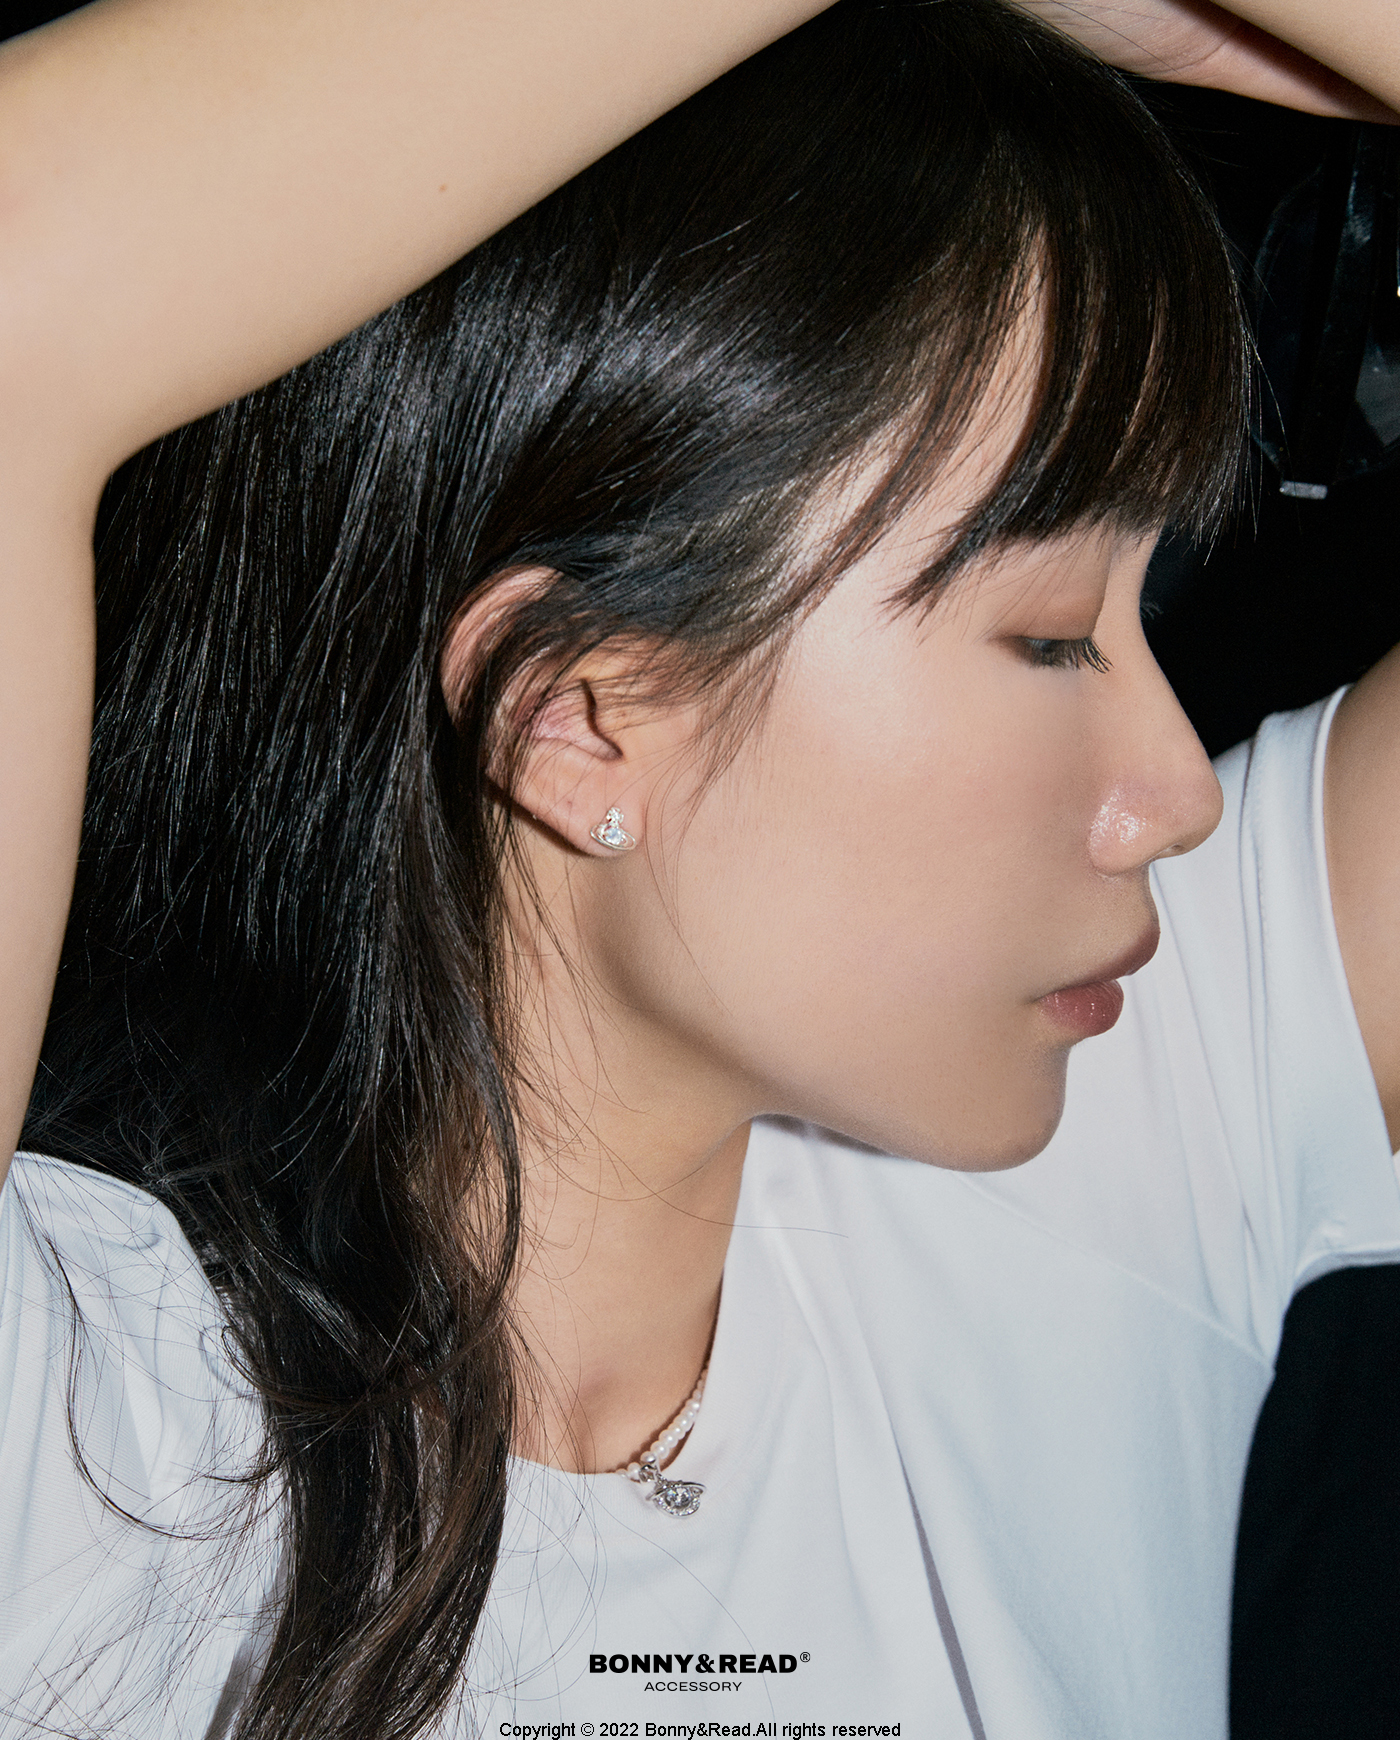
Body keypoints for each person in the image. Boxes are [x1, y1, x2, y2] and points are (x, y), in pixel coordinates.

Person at [0, 0, 1396, 1736]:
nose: (1175, 793)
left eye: (1144, 604)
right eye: (1051, 636)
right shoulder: (70, 1432)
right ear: (579, 719)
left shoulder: (1124, 1161)